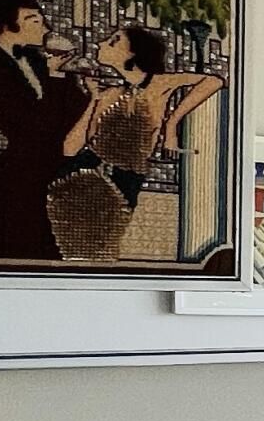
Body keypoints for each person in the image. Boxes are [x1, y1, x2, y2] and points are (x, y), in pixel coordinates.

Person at [50, 24, 227, 261]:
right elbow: (70, 148)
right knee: (74, 244)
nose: (101, 44)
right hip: (81, 176)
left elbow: (213, 82)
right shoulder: (110, 94)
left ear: (133, 52)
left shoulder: (160, 84)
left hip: (124, 177)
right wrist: (94, 100)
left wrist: (171, 124)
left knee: (103, 244)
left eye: (113, 41)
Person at [0, 0, 90, 262]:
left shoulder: (42, 62)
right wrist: (54, 78)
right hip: (17, 179)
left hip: (58, 174)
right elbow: (27, 125)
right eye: (33, 20)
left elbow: (76, 114)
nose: (45, 27)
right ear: (7, 25)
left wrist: (77, 83)